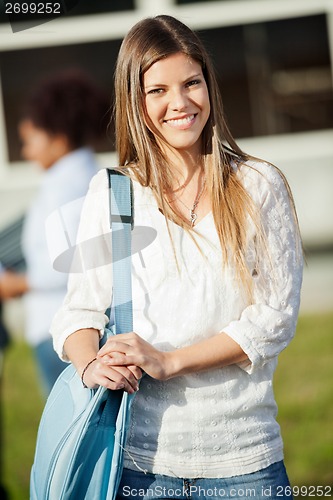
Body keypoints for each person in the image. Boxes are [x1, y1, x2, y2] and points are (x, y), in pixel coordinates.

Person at [50, 15, 303, 500]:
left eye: (191, 83)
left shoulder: (257, 185)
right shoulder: (113, 192)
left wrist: (168, 362)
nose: (180, 103)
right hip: (138, 469)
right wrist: (89, 366)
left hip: (245, 467)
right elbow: (78, 312)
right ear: (136, 102)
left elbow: (274, 319)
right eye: (158, 90)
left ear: (209, 85)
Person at [0, 69, 110, 395]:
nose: (26, 153)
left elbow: (74, 264)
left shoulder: (69, 189)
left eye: (31, 141)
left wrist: (16, 283)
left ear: (58, 139)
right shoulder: (73, 181)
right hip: (61, 328)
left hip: (62, 332)